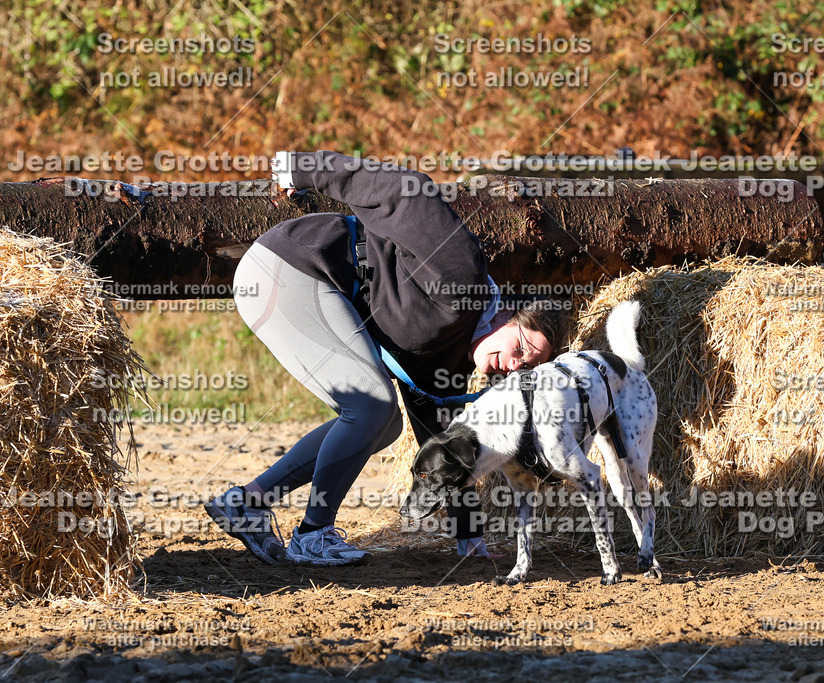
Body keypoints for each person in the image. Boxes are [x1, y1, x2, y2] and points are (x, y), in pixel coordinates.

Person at [204, 151, 567, 566]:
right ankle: (313, 535)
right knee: (371, 405)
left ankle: (247, 503)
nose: (515, 365)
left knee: (385, 424)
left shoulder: (455, 353)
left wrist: (468, 535)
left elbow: (442, 440)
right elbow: (405, 190)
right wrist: (304, 168)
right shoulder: (462, 275)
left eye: (528, 365)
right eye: (521, 348)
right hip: (291, 267)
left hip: (312, 285)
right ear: (504, 314)